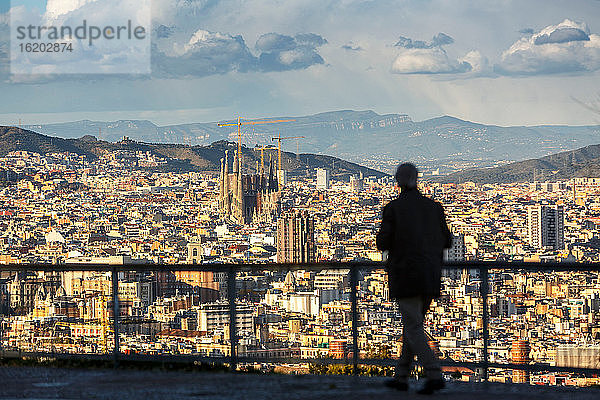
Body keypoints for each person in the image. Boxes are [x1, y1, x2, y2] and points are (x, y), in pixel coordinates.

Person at [376, 163, 452, 395]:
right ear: (416, 179)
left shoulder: (394, 209)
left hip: (405, 276)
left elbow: (382, 243)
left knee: (413, 327)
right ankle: (401, 377)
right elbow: (447, 241)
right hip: (430, 276)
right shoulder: (434, 207)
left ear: (398, 181)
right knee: (413, 326)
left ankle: (434, 373)